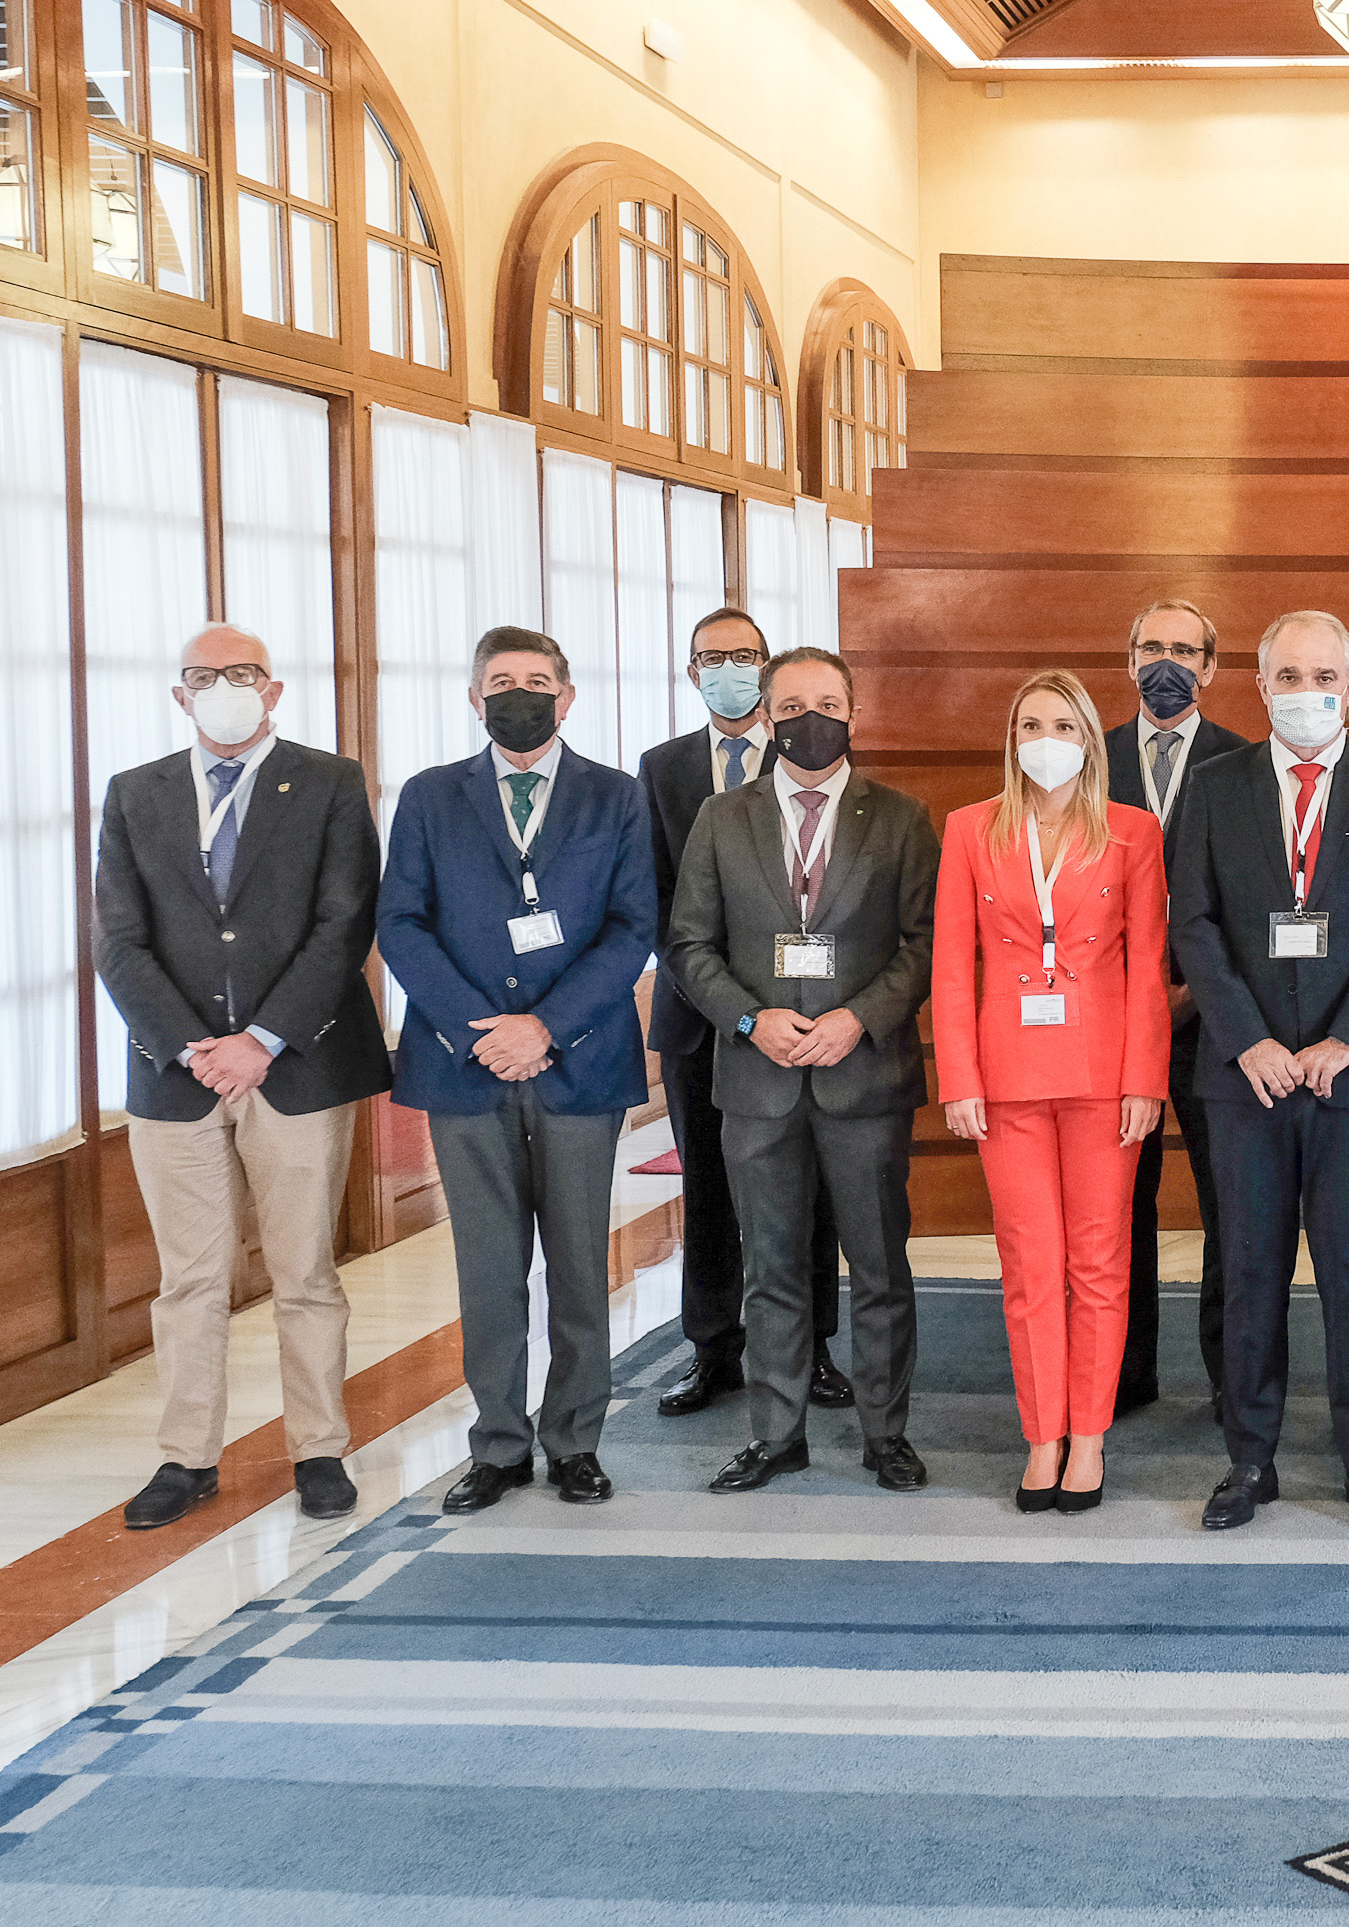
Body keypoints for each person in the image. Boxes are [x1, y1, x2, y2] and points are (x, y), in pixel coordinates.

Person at [94, 625, 393, 1530]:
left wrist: (261, 1039)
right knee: (189, 1280)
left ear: (274, 689)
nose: (224, 688)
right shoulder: (135, 794)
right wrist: (194, 1045)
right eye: (204, 677)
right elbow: (117, 939)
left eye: (242, 673)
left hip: (295, 1064)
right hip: (174, 1073)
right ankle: (187, 1456)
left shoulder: (330, 783)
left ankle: (319, 1448)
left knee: (304, 1272)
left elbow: (344, 925)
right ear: (179, 696)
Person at [1168, 610, 1349, 1533]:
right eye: (1289, 675)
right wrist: (1249, 1039)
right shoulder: (1213, 786)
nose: (1307, 692)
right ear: (1260, 684)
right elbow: (1193, 923)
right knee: (1250, 1273)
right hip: (1244, 1077)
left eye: (1325, 675)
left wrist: (1345, 1040)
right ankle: (1250, 1461)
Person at [376, 627, 655, 1513]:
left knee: (578, 1262)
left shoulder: (615, 797)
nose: (520, 695)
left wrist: (545, 1027)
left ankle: (575, 1439)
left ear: (567, 697)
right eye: (501, 681)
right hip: (465, 1066)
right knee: (488, 1266)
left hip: (578, 1061)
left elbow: (632, 925)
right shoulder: (429, 797)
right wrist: (479, 1029)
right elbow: (402, 925)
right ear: (474, 697)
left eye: (538, 681)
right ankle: (497, 1444)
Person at [667, 648, 941, 1495]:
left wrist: (858, 1018)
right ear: (768, 715)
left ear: (853, 711)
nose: (808, 718)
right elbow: (687, 945)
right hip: (758, 1077)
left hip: (863, 1077)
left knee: (881, 1269)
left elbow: (923, 945)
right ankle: (775, 1433)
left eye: (826, 702)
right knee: (771, 1268)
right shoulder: (722, 816)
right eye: (791, 704)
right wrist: (752, 1018)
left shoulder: (900, 817)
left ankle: (885, 1434)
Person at [936, 671, 1169, 1511]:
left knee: (1101, 1262)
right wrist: (958, 1077)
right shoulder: (969, 830)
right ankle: (1042, 1435)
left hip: (1105, 1079)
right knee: (1029, 1264)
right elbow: (951, 967)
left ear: (1088, 739)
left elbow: (1149, 967)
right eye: (1031, 722)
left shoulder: (1134, 833)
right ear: (1011, 738)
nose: (1046, 737)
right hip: (1005, 1080)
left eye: (1064, 723)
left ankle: (1091, 1437)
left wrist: (1147, 1078)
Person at [639, 607, 847, 1419]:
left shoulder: (812, 754)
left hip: (805, 1015)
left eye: (745, 656)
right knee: (712, 1193)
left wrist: (785, 1006)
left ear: (766, 671)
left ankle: (814, 1346)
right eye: (711, 657)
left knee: (811, 1192)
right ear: (692, 673)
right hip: (701, 1020)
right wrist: (726, 998)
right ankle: (713, 1350)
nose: (729, 668)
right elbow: (656, 901)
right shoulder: (660, 769)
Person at [1102, 599, 1251, 1414]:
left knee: (1228, 1204)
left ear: (1211, 667)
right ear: (1129, 661)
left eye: (1185, 650)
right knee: (1121, 1205)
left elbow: (1256, 901)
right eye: (1152, 646)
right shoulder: (1088, 761)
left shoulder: (1244, 763)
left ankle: (1232, 1375)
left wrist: (1191, 990)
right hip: (1109, 1025)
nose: (1168, 663)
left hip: (1212, 1020)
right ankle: (1125, 1372)